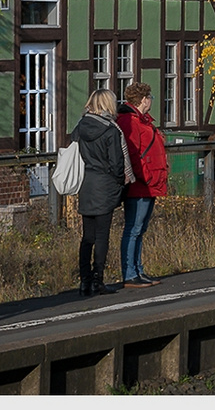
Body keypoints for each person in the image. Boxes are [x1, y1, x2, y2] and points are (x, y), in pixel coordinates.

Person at [69, 89, 133, 296]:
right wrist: (118, 183)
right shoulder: (111, 130)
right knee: (102, 235)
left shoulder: (80, 127)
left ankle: (84, 280)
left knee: (87, 236)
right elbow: (117, 164)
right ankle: (98, 280)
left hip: (86, 183)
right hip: (105, 184)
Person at [115, 82, 169, 288]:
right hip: (141, 183)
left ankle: (137, 269)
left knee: (140, 228)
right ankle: (130, 272)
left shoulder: (141, 120)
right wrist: (146, 176)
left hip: (149, 182)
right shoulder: (131, 121)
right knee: (134, 228)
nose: (151, 102)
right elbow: (133, 154)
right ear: (144, 100)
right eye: (150, 98)